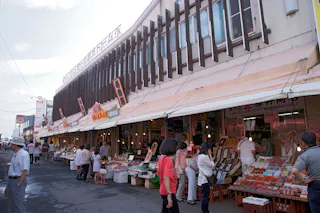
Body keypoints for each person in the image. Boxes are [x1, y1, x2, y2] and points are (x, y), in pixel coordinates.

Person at [292, 131, 320, 213]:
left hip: (315, 187)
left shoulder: (305, 155)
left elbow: (294, 170)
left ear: (303, 143)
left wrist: (303, 181)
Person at [4, 137, 30, 213]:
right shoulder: (16, 154)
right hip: (12, 180)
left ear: (16, 145)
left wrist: (18, 184)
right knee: (11, 205)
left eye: (12, 144)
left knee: (19, 205)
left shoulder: (23, 154)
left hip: (17, 180)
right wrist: (8, 186)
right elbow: (12, 171)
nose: (10, 146)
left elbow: (25, 171)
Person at [157, 138, 179, 213]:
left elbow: (160, 174)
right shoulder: (168, 160)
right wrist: (169, 195)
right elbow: (166, 177)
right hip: (168, 190)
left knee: (165, 210)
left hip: (163, 189)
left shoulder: (161, 157)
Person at [198, 142, 215, 213]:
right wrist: (211, 156)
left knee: (205, 196)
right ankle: (205, 211)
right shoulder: (204, 157)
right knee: (205, 196)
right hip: (205, 179)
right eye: (210, 149)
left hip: (203, 178)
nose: (211, 150)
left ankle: (205, 210)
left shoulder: (200, 156)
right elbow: (212, 165)